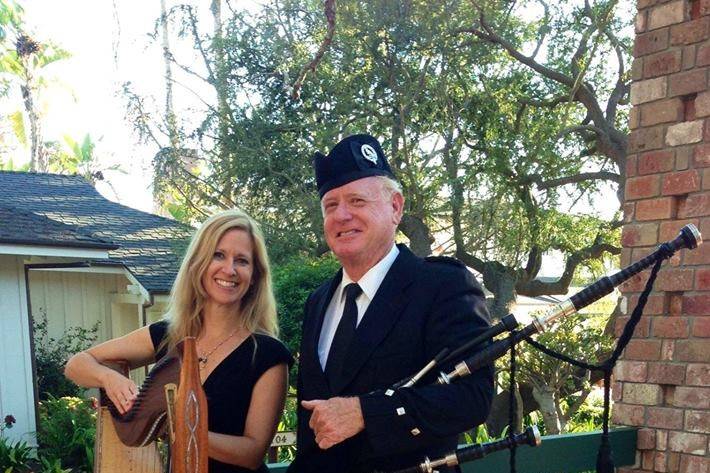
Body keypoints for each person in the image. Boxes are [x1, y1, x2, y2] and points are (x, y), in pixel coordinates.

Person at [287, 134, 495, 473]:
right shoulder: (318, 301)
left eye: (356, 201)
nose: (341, 215)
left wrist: (366, 413)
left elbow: (473, 397)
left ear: (395, 207)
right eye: (330, 205)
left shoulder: (443, 285)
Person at [65, 209, 293, 473]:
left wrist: (177, 426)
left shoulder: (267, 355)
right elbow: (77, 364)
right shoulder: (168, 335)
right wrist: (110, 379)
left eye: (242, 260)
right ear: (199, 263)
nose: (229, 269)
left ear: (254, 276)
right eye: (218, 255)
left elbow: (252, 453)